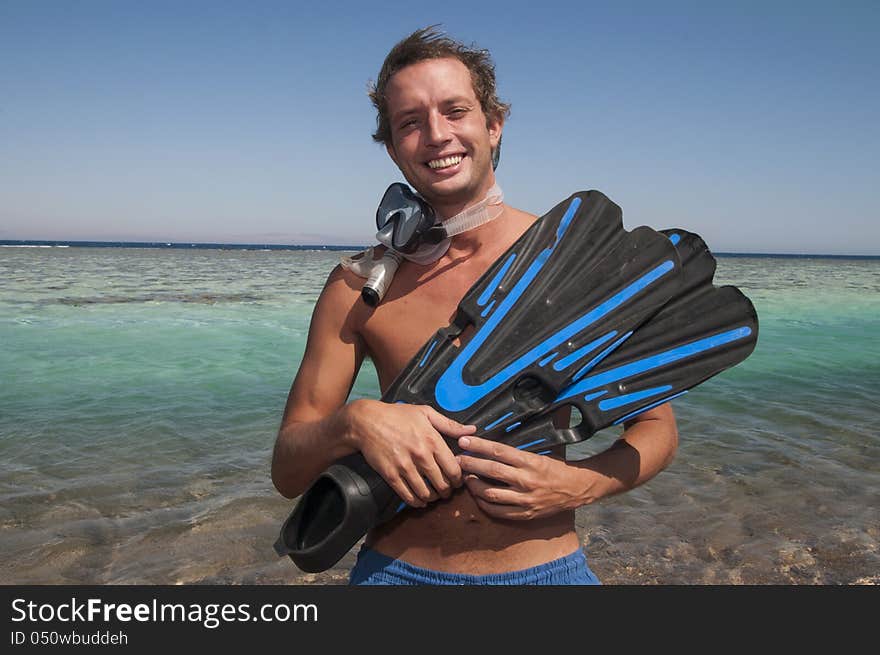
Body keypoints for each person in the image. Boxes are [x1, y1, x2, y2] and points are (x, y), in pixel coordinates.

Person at [271, 26, 679, 585]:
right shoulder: (359, 286)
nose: (436, 136)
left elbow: (656, 428)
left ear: (493, 124)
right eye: (410, 122)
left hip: (546, 573)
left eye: (454, 111)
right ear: (392, 148)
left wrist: (582, 483)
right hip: (395, 577)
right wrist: (358, 421)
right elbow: (289, 469)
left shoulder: (572, 265)